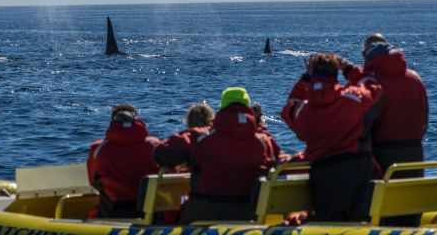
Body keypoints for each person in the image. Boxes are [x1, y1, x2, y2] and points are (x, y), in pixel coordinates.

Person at [281, 53, 383, 222]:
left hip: (324, 174)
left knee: (329, 222)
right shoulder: (352, 97)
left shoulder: (303, 111)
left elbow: (290, 105)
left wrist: (306, 78)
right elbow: (373, 86)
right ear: (335, 74)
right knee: (360, 221)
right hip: (357, 170)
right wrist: (349, 69)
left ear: (312, 75)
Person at [340, 34, 428, 226]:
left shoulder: (373, 83)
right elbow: (425, 120)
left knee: (380, 214)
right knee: (409, 215)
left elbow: (361, 125)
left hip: (382, 160)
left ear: (367, 55)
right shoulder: (415, 79)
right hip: (415, 157)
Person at [155, 87, 277, 223]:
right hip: (249, 213)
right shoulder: (264, 140)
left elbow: (161, 154)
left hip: (203, 212)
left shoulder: (200, 138)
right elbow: (277, 160)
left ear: (222, 107)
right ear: (247, 107)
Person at [87, 104, 160, 218]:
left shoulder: (97, 148)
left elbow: (93, 181)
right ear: (136, 120)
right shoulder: (155, 145)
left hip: (114, 210)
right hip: (153, 211)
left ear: (112, 122)